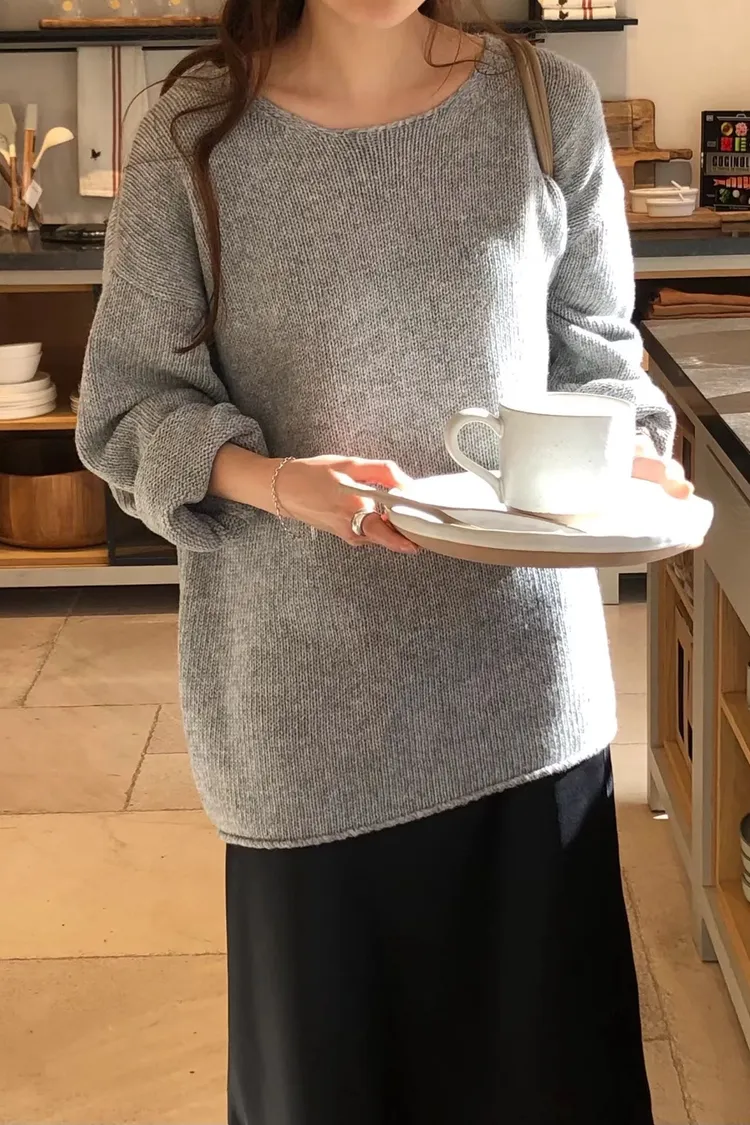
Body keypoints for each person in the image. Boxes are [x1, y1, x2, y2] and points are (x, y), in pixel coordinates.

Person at [76, 3, 691, 1122]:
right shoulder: (195, 128)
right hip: (305, 717)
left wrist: (632, 459)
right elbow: (125, 407)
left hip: (524, 701)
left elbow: (604, 361)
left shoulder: (543, 104)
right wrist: (280, 482)